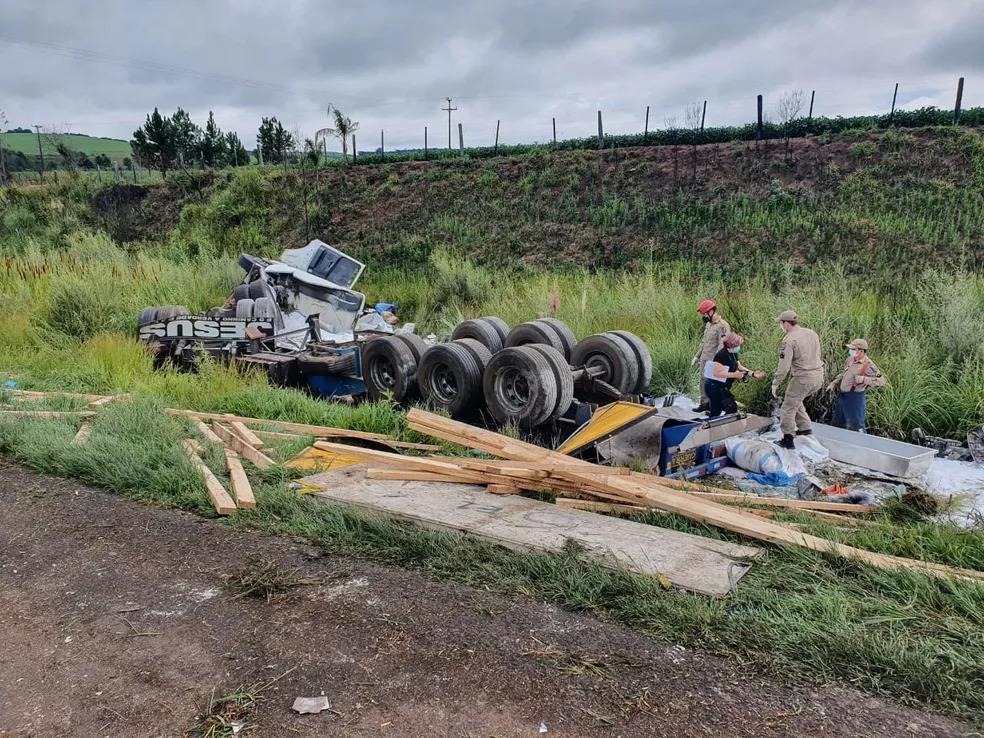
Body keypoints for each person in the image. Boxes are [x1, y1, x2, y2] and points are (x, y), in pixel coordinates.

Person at [771, 310, 824, 449]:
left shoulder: (788, 340)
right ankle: (805, 428)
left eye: (781, 323)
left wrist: (776, 382)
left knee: (788, 407)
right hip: (818, 377)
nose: (781, 326)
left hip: (803, 378)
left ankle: (787, 439)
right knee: (796, 400)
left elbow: (784, 367)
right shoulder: (812, 333)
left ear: (786, 324)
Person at [828, 338, 885, 432]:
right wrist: (834, 382)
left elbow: (881, 380)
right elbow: (844, 373)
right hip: (842, 396)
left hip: (855, 398)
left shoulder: (870, 365)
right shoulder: (850, 360)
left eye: (853, 349)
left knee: (857, 426)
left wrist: (863, 379)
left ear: (861, 351)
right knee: (838, 423)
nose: (850, 351)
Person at [703, 332, 765, 417]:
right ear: (732, 344)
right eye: (738, 345)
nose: (739, 347)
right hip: (714, 386)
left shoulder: (733, 353)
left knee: (730, 409)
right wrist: (735, 375)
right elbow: (716, 373)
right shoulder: (721, 355)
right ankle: (710, 425)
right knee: (722, 409)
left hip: (723, 386)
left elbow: (739, 366)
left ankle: (719, 422)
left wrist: (753, 373)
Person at [692, 299, 730, 411]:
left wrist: (715, 362)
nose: (703, 316)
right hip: (705, 359)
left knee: (713, 386)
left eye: (704, 314)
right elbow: (704, 342)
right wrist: (697, 356)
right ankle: (704, 404)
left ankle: (714, 408)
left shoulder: (722, 326)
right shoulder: (709, 325)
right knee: (703, 383)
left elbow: (722, 345)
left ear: (711, 312)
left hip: (714, 361)